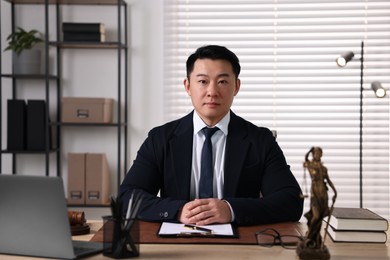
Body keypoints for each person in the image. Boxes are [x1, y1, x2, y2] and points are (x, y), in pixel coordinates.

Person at [119, 45, 303, 226]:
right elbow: (128, 197)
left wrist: (231, 209)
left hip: (240, 245)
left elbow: (291, 201)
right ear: (188, 86)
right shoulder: (161, 138)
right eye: (203, 81)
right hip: (176, 240)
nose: (212, 92)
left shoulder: (260, 140)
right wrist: (178, 211)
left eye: (222, 81)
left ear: (236, 87)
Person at [302, 147, 337, 248]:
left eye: (319, 153)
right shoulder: (310, 165)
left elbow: (329, 181)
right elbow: (305, 159)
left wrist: (335, 192)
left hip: (323, 196)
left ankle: (316, 239)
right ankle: (309, 235)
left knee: (320, 218)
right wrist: (309, 150)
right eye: (315, 153)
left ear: (321, 154)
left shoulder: (324, 169)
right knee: (315, 216)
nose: (317, 154)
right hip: (315, 195)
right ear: (313, 154)